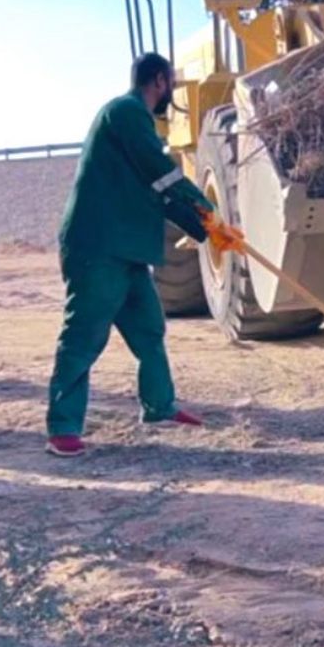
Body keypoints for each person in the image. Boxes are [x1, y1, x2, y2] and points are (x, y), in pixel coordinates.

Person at [45, 53, 215, 457]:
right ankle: (62, 428)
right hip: (100, 246)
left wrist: (209, 230)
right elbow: (161, 172)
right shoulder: (126, 113)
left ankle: (159, 406)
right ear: (158, 81)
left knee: (149, 330)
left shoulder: (134, 122)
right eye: (170, 82)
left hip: (128, 250)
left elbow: (158, 191)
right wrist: (206, 209)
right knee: (83, 336)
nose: (171, 91)